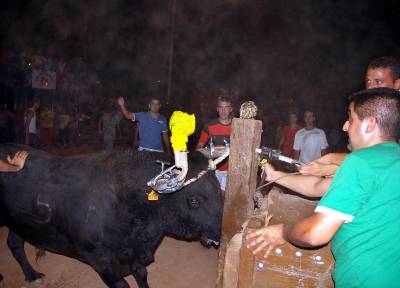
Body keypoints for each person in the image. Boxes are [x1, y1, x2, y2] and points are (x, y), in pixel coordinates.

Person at [246, 88, 400, 288]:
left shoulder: (359, 163)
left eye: (351, 120)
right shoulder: (392, 159)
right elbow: (318, 186)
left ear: (370, 124)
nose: (345, 127)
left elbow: (315, 235)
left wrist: (283, 232)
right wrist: (275, 175)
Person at [301, 56, 400, 176]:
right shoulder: (372, 111)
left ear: (397, 83)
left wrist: (331, 161)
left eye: (378, 82)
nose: (371, 87)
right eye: (368, 82)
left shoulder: (394, 114)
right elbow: (370, 159)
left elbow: (386, 161)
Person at [196, 95, 233, 192]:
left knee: (226, 196)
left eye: (226, 108)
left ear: (230, 109)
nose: (223, 111)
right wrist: (200, 160)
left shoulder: (237, 126)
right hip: (214, 168)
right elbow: (199, 146)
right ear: (217, 109)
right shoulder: (209, 126)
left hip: (231, 168)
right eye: (221, 107)